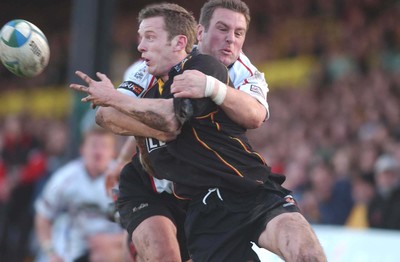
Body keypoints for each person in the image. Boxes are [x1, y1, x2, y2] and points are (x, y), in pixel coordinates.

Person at [70, 2, 326, 262]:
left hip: (236, 187)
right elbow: (107, 114)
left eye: (239, 33)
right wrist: (136, 134)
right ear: (199, 33)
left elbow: (254, 115)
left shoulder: (224, 70)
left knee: (307, 254)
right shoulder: (149, 67)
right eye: (223, 29)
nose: (230, 40)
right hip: (166, 187)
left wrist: (213, 88)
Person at [34, 127, 127, 262]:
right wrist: (51, 252)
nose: (98, 152)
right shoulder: (65, 178)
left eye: (104, 146)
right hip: (71, 249)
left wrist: (113, 241)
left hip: (113, 248)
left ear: (114, 152)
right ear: (82, 149)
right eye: (93, 145)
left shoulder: (124, 179)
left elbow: (141, 225)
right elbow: (43, 217)